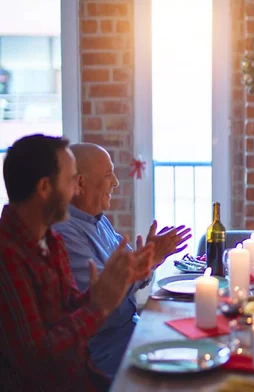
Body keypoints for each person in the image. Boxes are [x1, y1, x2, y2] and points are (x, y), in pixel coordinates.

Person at [0, 134, 155, 391]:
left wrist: (107, 289)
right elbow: (38, 358)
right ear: (44, 188)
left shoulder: (50, 240)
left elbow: (70, 309)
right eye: (71, 180)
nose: (75, 190)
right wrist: (100, 305)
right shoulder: (8, 256)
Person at [53, 143, 191, 380]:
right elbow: (104, 305)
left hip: (132, 328)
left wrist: (148, 261)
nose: (116, 182)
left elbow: (132, 273)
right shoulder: (64, 233)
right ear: (81, 183)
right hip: (106, 351)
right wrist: (143, 265)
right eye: (108, 175)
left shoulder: (97, 220)